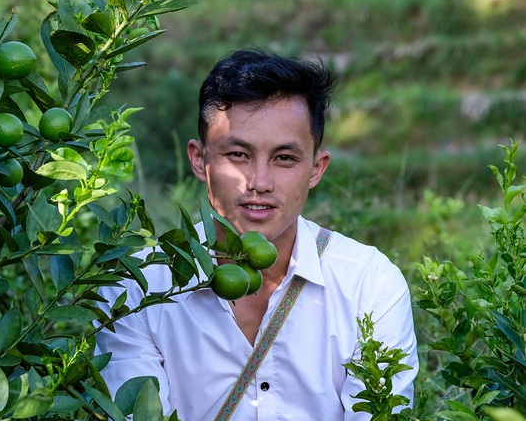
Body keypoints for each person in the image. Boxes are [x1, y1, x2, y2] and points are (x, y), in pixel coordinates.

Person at [95, 49, 419, 420]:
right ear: (200, 160)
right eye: (238, 154)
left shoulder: (370, 285)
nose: (259, 183)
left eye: (284, 158)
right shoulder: (137, 285)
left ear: (316, 168)